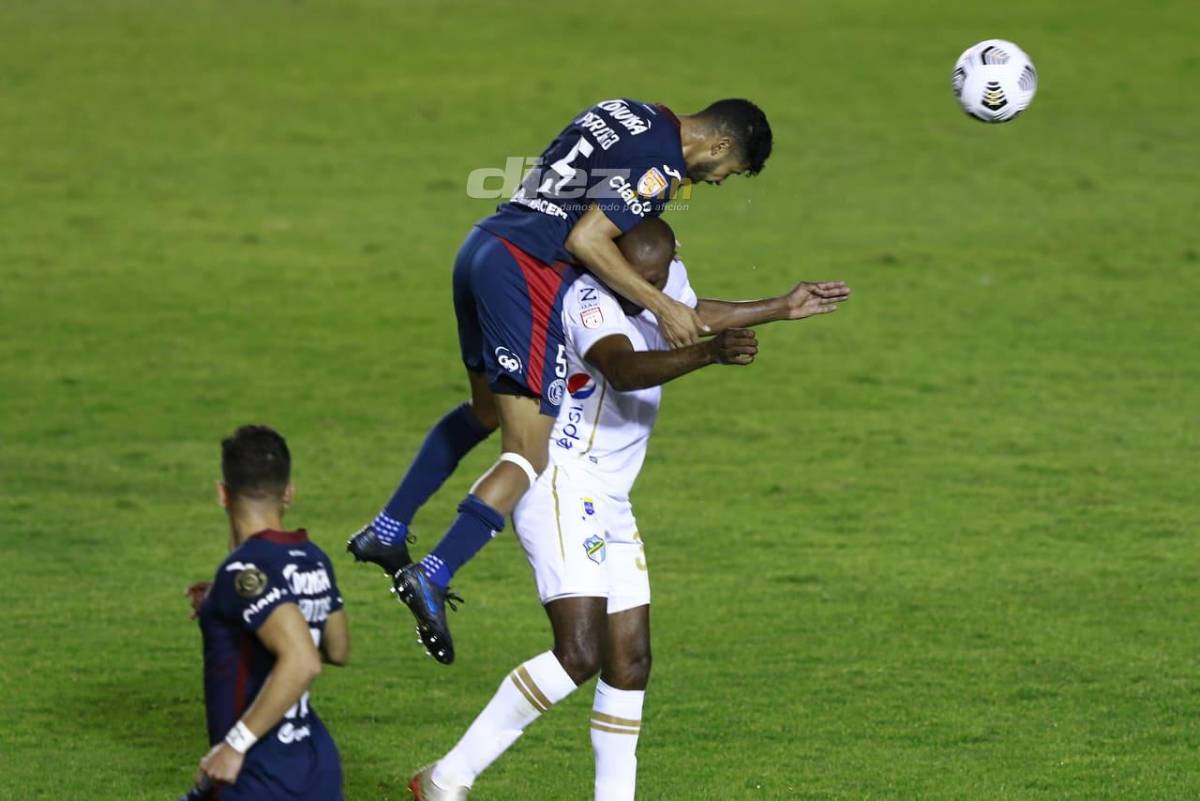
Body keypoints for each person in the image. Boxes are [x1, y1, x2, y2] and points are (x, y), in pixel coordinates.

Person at [406, 218, 850, 799]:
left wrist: (780, 307)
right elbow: (622, 368)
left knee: (631, 659)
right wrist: (709, 354)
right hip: (564, 484)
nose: (649, 292)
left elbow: (690, 312)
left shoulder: (662, 279)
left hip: (611, 496)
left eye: (658, 280)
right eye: (639, 280)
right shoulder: (587, 297)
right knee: (578, 653)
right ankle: (446, 779)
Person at [347, 98, 775, 662]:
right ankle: (434, 571)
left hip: (484, 246)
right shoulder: (662, 168)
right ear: (719, 145)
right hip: (525, 273)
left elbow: (579, 187)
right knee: (528, 451)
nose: (717, 181)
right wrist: (662, 305)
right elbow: (586, 241)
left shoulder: (632, 110)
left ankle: (388, 527)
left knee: (485, 410)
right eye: (728, 171)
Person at [181, 425, 349, 801]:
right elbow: (337, 649)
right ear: (288, 492)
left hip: (260, 770)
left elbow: (304, 661)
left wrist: (234, 745)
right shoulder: (313, 559)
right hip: (315, 763)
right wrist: (222, 602)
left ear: (222, 493)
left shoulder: (243, 570)